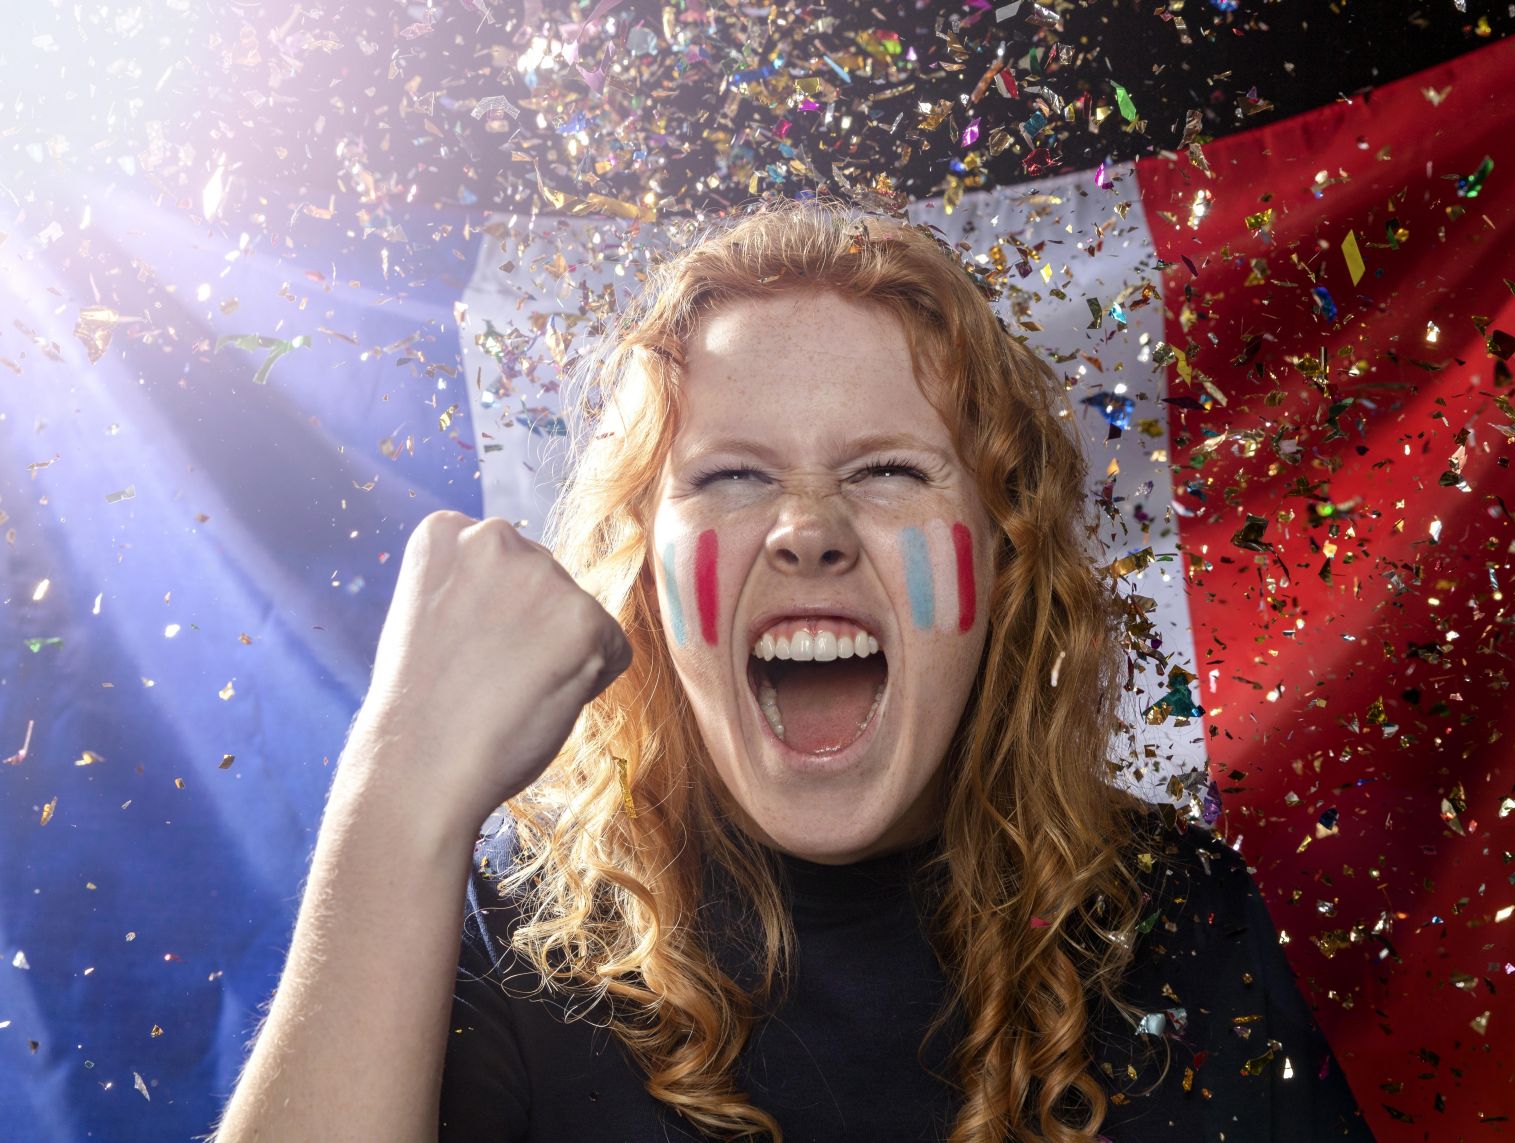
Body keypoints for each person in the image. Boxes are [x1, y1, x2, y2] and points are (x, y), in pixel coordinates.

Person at [214, 198, 1374, 1142]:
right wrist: (397, 786)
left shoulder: (1172, 919)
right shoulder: (520, 934)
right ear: (645, 578)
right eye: (729, 478)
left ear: (1001, 558)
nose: (806, 529)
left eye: (883, 470)